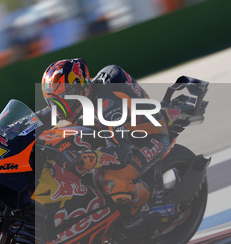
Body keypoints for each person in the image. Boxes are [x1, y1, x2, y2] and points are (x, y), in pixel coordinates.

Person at [38, 58, 187, 221]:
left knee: (113, 181)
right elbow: (41, 117)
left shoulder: (108, 103)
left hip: (151, 137)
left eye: (64, 101)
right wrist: (11, 130)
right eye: (55, 103)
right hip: (119, 132)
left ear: (80, 88)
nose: (60, 110)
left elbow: (120, 154)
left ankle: (146, 210)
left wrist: (81, 157)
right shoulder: (80, 98)